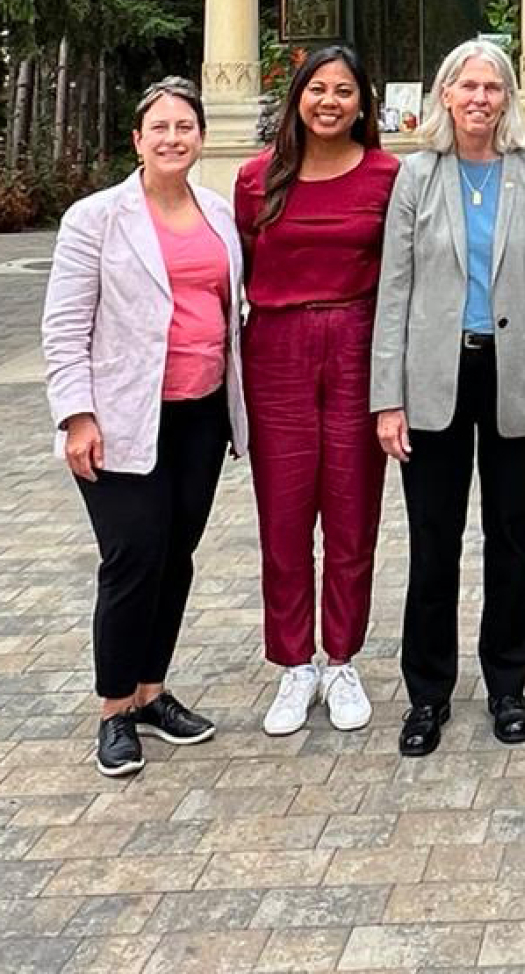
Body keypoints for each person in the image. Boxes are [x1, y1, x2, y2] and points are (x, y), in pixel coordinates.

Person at [372, 41, 525, 756]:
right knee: (434, 543)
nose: (481, 98)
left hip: (513, 375)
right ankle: (427, 693)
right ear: (446, 95)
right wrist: (386, 399)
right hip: (433, 380)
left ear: (507, 97)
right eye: (468, 86)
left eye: (493, 86)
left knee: (510, 538)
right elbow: (392, 290)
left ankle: (506, 683)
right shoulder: (416, 176)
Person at [42, 78, 247, 778]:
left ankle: (152, 690)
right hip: (123, 415)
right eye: (158, 127)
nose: (171, 138)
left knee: (176, 553)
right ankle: (113, 709)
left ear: (200, 137)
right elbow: (65, 326)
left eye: (184, 126)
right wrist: (77, 415)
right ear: (137, 139)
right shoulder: (95, 218)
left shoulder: (218, 213)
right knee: (131, 555)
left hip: (200, 413)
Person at [234, 44, 398, 739]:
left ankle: (342, 657)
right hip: (276, 348)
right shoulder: (254, 179)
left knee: (354, 510)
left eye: (344, 90)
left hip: (359, 342)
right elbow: (231, 268)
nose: (329, 101)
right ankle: (294, 661)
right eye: (317, 88)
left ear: (363, 103)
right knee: (285, 513)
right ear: (298, 96)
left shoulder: (391, 174)